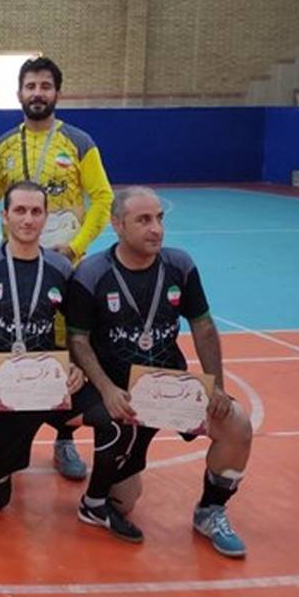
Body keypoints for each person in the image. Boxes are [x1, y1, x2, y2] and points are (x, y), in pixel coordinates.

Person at [66, 186, 253, 557]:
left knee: (237, 424)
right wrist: (106, 389)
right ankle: (106, 486)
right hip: (125, 399)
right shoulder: (92, 273)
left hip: (173, 390)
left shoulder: (179, 265)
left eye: (159, 218)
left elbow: (202, 325)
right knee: (124, 501)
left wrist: (215, 385)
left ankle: (210, 510)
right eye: (143, 220)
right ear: (118, 224)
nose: (156, 229)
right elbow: (78, 340)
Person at [0, 56, 113, 480]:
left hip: (63, 268)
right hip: (15, 268)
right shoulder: (5, 145)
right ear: (19, 93)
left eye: (45, 86)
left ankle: (64, 439)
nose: (37, 93)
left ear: (57, 93)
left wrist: (77, 247)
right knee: (18, 338)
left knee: (66, 347)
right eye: (30, 86)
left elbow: (102, 197)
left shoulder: (79, 142)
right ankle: (6, 426)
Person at [0, 181, 95, 512]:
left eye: (35, 211)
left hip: (44, 382)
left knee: (109, 415)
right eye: (19, 210)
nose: (28, 219)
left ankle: (100, 498)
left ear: (46, 217)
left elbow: (76, 327)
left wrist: (75, 364)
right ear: (4, 216)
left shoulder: (61, 269)